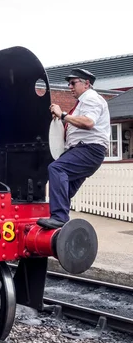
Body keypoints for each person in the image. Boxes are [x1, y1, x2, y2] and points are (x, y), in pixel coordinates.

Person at [37, 67, 110, 229]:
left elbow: (88, 123)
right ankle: (60, 228)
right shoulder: (83, 102)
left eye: (73, 83)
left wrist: (63, 115)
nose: (70, 87)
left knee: (56, 169)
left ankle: (60, 218)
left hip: (88, 150)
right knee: (64, 191)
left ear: (87, 84)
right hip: (84, 150)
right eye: (69, 84)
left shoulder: (91, 98)